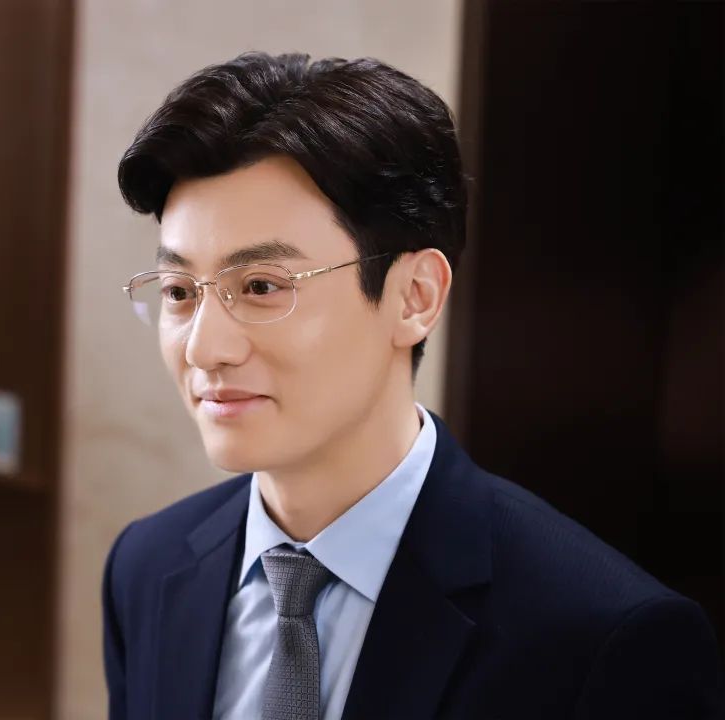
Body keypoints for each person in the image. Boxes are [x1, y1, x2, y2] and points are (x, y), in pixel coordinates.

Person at [101, 51, 725, 720]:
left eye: (260, 286)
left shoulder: (604, 639)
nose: (204, 348)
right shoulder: (146, 568)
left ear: (415, 297)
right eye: (179, 291)